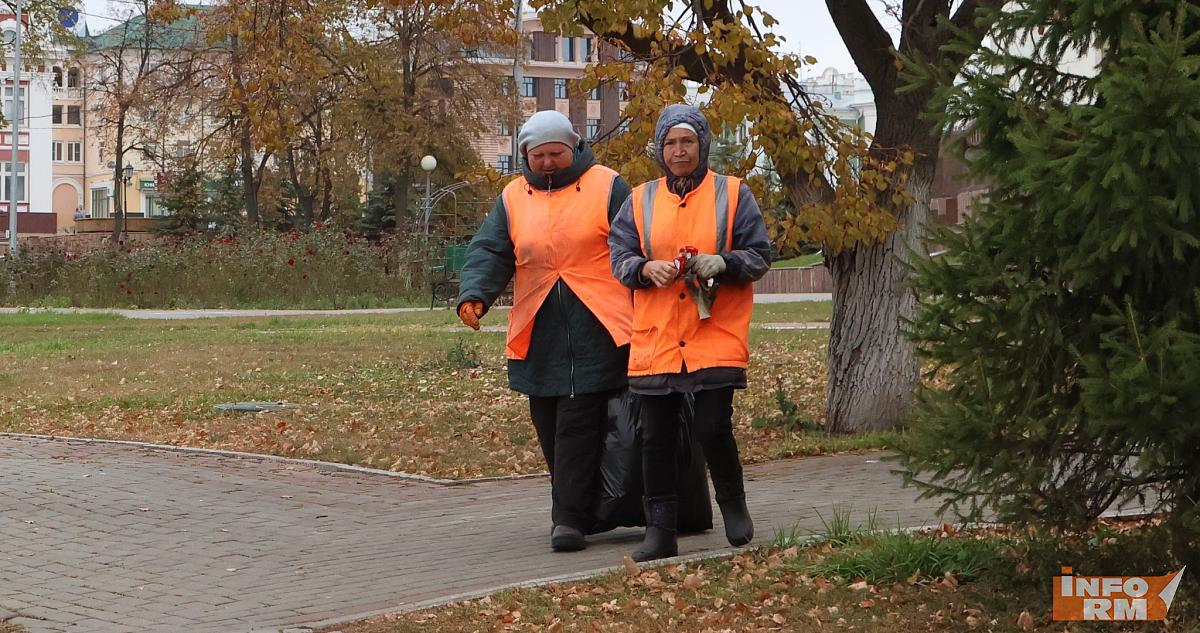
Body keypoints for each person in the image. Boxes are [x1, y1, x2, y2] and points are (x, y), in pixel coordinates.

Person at [457, 110, 633, 552]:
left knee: (577, 421)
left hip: (600, 323)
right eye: (540, 155)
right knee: (549, 422)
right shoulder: (513, 196)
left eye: (557, 153)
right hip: (539, 327)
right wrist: (474, 294)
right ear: (525, 156)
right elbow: (491, 250)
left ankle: (568, 520)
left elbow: (635, 242)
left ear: (574, 146)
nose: (549, 163)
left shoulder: (608, 184)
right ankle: (583, 508)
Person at [609, 104, 772, 562]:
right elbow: (618, 256)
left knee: (711, 426)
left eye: (687, 142)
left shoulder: (734, 193)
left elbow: (760, 254)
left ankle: (733, 506)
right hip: (658, 334)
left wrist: (726, 261)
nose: (679, 151)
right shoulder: (640, 199)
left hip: (714, 330)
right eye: (671, 143)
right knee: (655, 435)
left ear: (702, 145)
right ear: (660, 149)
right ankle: (660, 529)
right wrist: (644, 268)